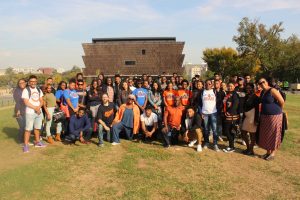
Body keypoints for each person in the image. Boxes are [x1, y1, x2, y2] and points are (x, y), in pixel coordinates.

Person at [257, 78, 284, 161]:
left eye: (263, 82)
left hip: (275, 115)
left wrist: (279, 110)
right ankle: (268, 152)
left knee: (274, 133)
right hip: (265, 116)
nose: (261, 84)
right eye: (260, 83)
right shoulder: (263, 92)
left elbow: (282, 101)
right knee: (266, 134)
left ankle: (273, 153)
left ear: (267, 82)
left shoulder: (272, 90)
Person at [22, 75, 46, 153]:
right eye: (31, 81)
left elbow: (41, 100)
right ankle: (25, 145)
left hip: (38, 112)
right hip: (30, 112)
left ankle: (37, 142)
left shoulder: (39, 90)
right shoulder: (26, 90)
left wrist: (39, 107)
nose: (33, 83)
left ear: (36, 82)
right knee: (28, 129)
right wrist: (35, 108)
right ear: (29, 82)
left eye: (34, 81)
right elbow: (26, 102)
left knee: (37, 128)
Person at [199, 79, 220, 151]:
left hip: (213, 113)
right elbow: (199, 104)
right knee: (206, 129)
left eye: (209, 84)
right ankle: (206, 142)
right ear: (204, 85)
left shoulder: (215, 91)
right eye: (206, 84)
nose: (208, 85)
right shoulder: (202, 92)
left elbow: (219, 102)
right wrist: (201, 112)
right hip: (205, 113)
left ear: (212, 85)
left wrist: (218, 111)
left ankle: (215, 144)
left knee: (214, 130)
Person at [241, 83, 259, 156]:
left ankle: (251, 150)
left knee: (252, 134)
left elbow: (257, 109)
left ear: (253, 89)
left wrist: (256, 120)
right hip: (246, 117)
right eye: (247, 88)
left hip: (253, 116)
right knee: (243, 132)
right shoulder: (246, 96)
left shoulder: (255, 97)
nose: (248, 89)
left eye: (249, 88)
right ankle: (248, 148)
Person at [222, 82, 240, 153]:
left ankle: (232, 147)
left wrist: (229, 112)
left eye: (231, 86)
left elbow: (235, 104)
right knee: (228, 131)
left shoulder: (235, 94)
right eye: (228, 86)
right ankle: (231, 145)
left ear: (234, 87)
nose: (230, 87)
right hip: (226, 115)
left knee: (227, 131)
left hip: (231, 115)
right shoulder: (227, 94)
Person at [13, 78, 27, 144]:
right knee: (22, 126)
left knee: (26, 126)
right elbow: (17, 101)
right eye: (20, 83)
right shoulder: (17, 91)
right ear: (18, 84)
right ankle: (19, 140)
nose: (22, 84)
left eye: (23, 82)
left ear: (25, 83)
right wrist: (18, 111)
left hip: (26, 110)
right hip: (19, 110)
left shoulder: (26, 90)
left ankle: (24, 140)